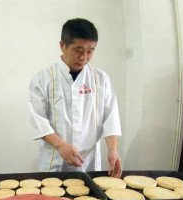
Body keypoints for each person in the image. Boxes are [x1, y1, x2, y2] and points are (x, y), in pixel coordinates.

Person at [28, 18, 122, 177]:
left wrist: (113, 151)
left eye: (90, 50)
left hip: (89, 161)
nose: (84, 57)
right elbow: (38, 120)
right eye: (78, 50)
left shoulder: (101, 79)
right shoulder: (43, 78)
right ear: (62, 45)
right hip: (55, 161)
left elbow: (110, 117)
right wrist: (60, 145)